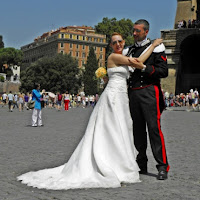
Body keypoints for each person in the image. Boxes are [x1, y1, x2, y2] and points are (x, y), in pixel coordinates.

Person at [17, 33, 162, 190]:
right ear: (111, 46)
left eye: (120, 41)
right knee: (111, 128)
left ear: (124, 42)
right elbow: (139, 62)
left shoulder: (120, 56)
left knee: (120, 129)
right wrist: (152, 46)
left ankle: (117, 161)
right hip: (113, 97)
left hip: (121, 97)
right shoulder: (114, 57)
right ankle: (114, 163)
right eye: (114, 42)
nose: (118, 44)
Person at [124, 19, 170, 180]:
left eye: (138, 31)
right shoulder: (128, 50)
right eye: (133, 30)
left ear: (146, 32)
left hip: (150, 92)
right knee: (137, 131)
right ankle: (141, 164)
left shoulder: (157, 48)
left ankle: (162, 166)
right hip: (133, 94)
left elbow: (163, 71)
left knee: (154, 129)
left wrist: (144, 68)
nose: (134, 34)